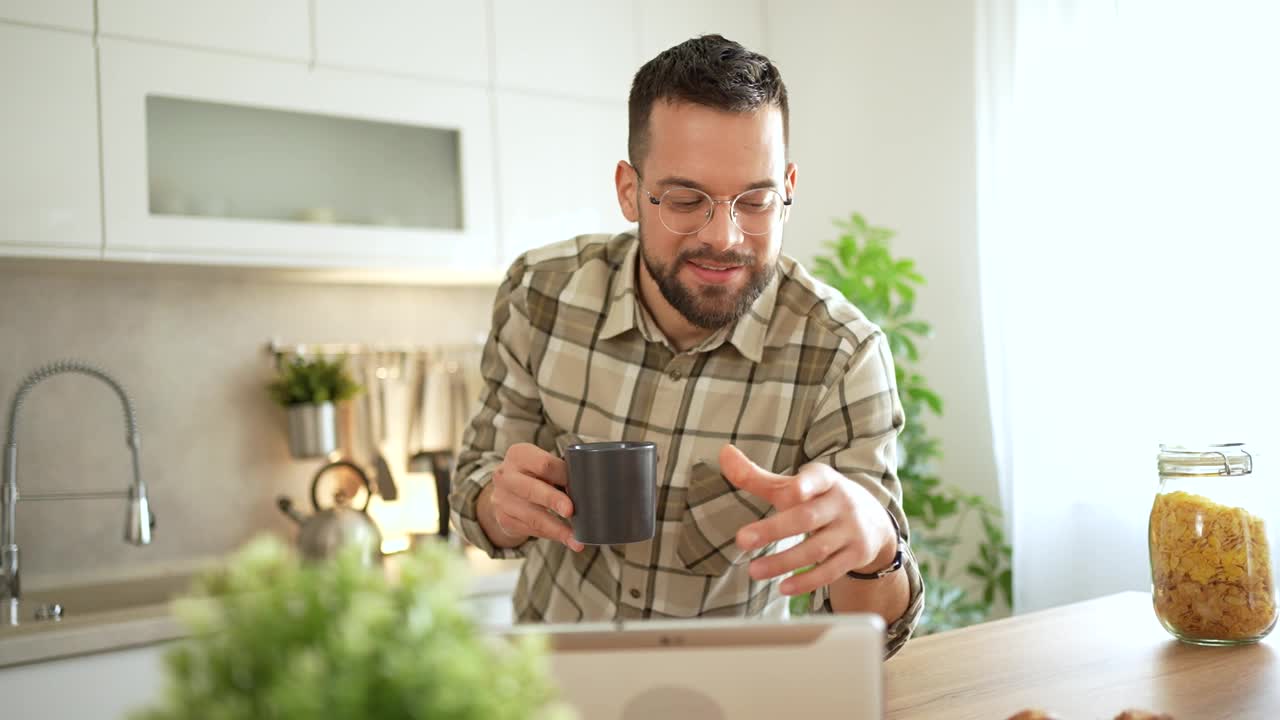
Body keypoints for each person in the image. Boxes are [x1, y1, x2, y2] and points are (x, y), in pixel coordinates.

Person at [449, 34, 923, 657]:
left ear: (787, 188)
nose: (724, 238)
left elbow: (876, 635)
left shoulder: (842, 353)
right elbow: (474, 488)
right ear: (629, 190)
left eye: (754, 201)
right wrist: (497, 502)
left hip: (732, 692)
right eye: (684, 200)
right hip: (551, 685)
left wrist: (876, 547)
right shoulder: (542, 293)